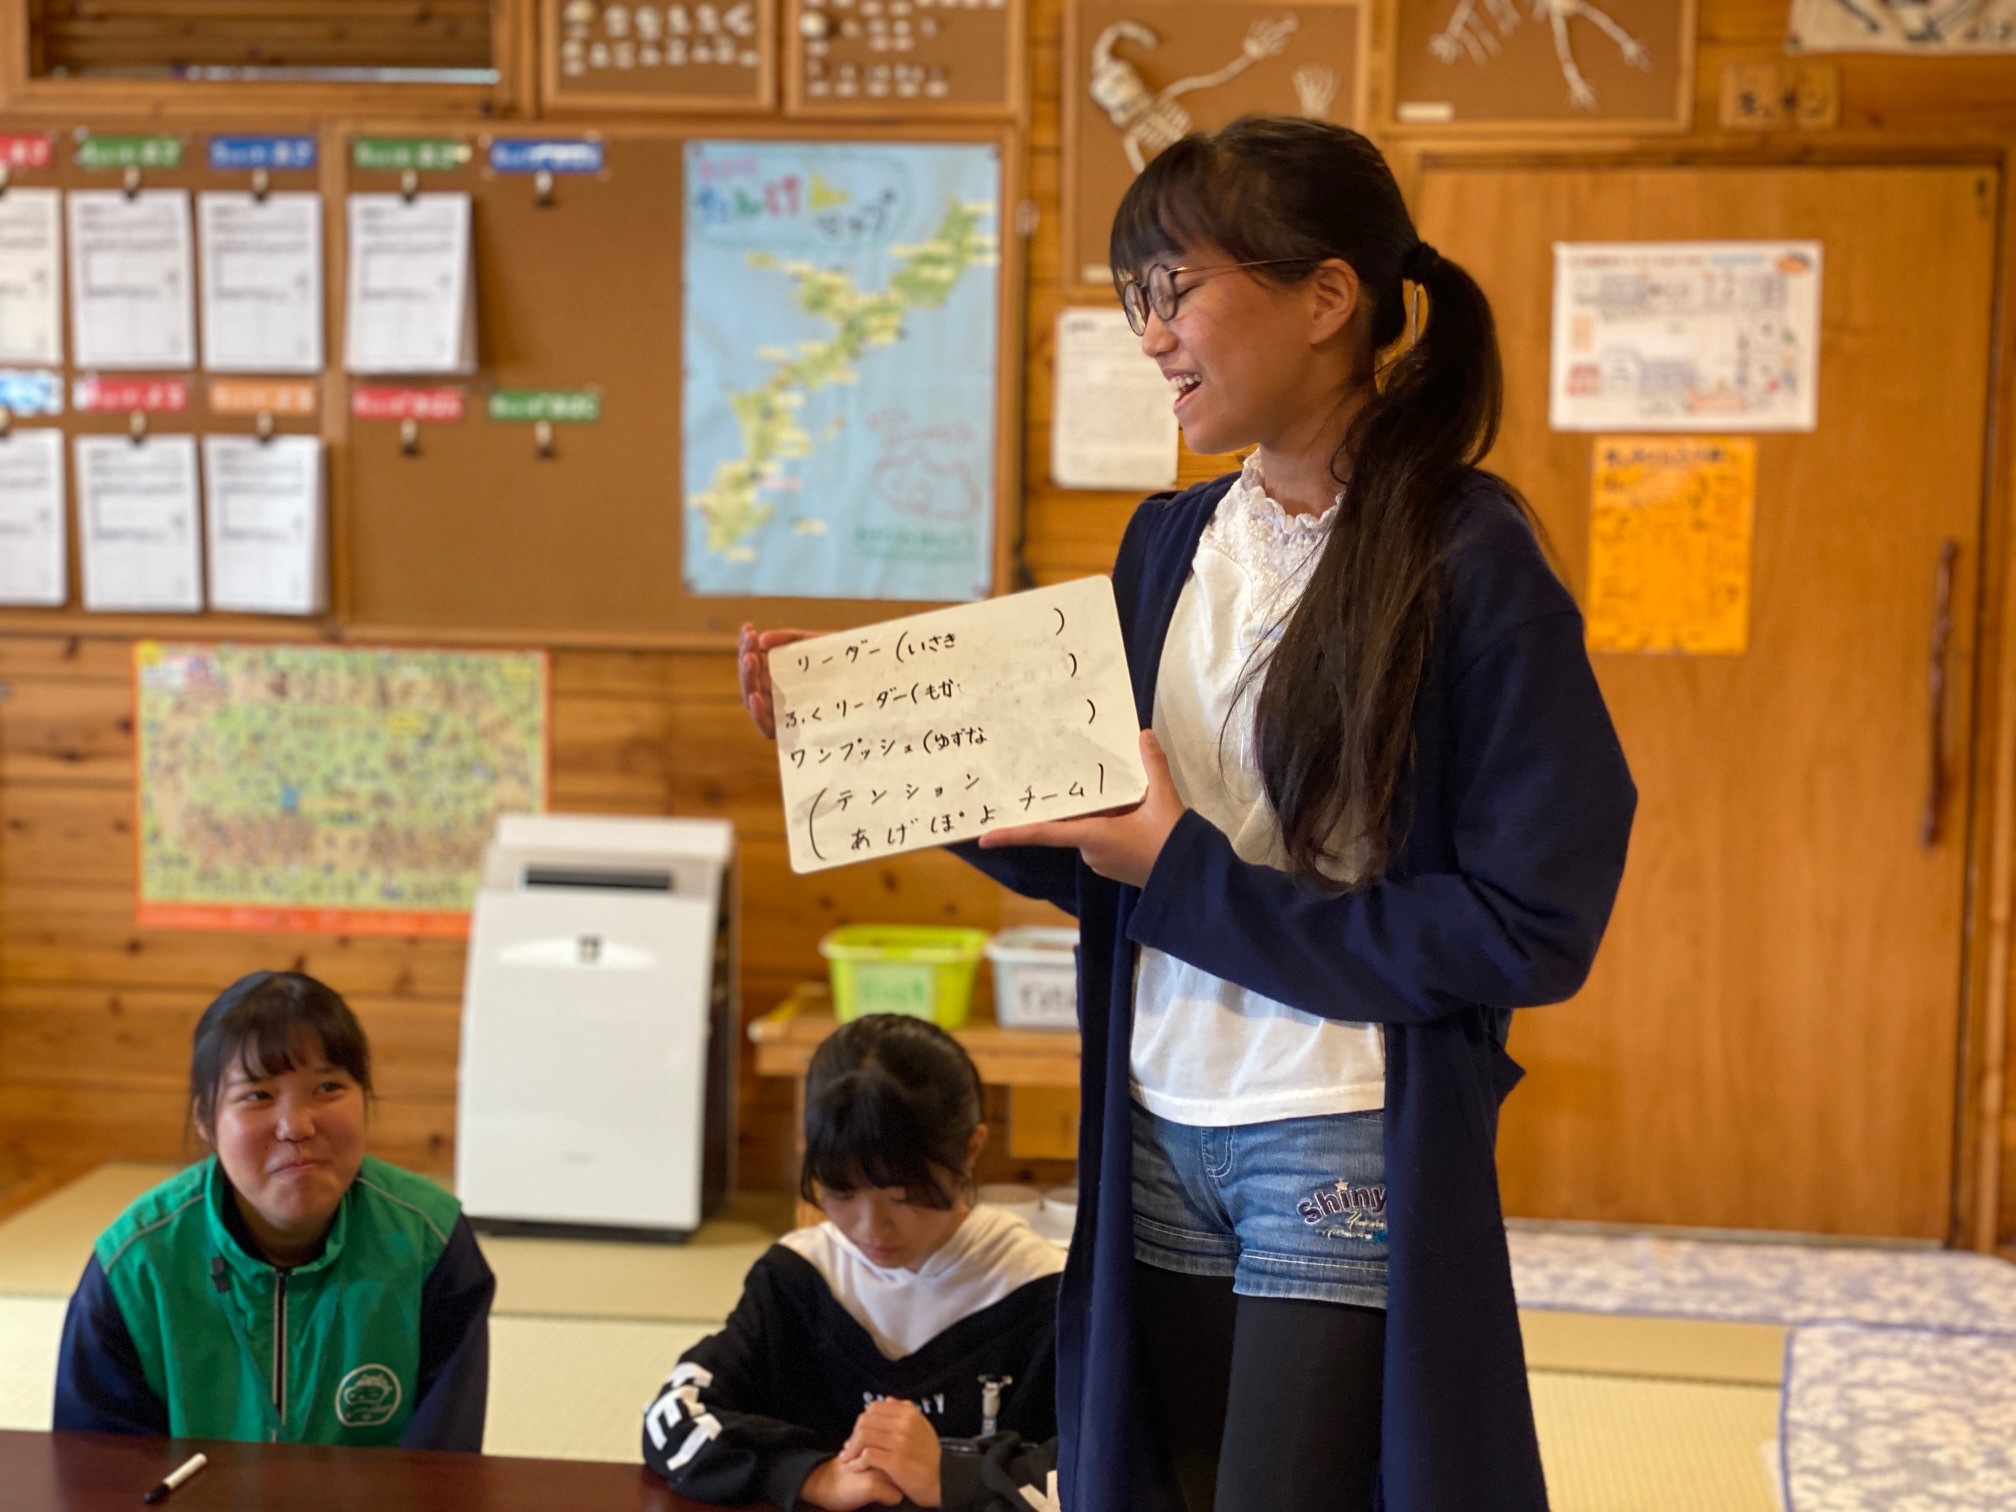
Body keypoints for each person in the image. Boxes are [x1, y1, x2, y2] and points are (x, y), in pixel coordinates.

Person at [738, 116, 1635, 1512]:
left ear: (1328, 297)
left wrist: (1186, 871)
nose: (1149, 335)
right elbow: (1107, 850)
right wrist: (864, 744)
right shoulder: (1168, 544)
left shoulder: (1471, 556)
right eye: (1134, 298)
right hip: (1154, 1116)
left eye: (1176, 291)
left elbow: (1530, 926)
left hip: (1338, 1128)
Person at [53, 971, 494, 1449]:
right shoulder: (136, 1266)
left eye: (327, 1088)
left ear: (363, 1097)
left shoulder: (431, 1243)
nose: (296, 1126)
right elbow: (94, 1473)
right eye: (257, 1096)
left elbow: (446, 1468)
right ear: (205, 1119)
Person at [643, 1013, 1060, 1510]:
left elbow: (1121, 1464)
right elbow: (672, 1415)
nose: (870, 1229)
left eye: (903, 1196)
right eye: (840, 1191)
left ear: (971, 1150)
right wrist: (813, 1476)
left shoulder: (1045, 1292)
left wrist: (953, 1478)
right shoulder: (798, 1279)